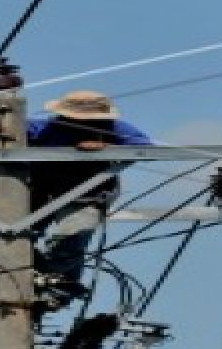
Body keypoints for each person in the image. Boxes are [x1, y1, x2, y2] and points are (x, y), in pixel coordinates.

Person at [27, 91, 151, 304]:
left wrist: (108, 148)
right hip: (43, 190)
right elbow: (6, 132)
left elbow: (144, 147)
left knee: (69, 238)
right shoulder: (45, 128)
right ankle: (26, 271)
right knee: (13, 235)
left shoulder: (114, 129)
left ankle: (56, 286)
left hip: (88, 194)